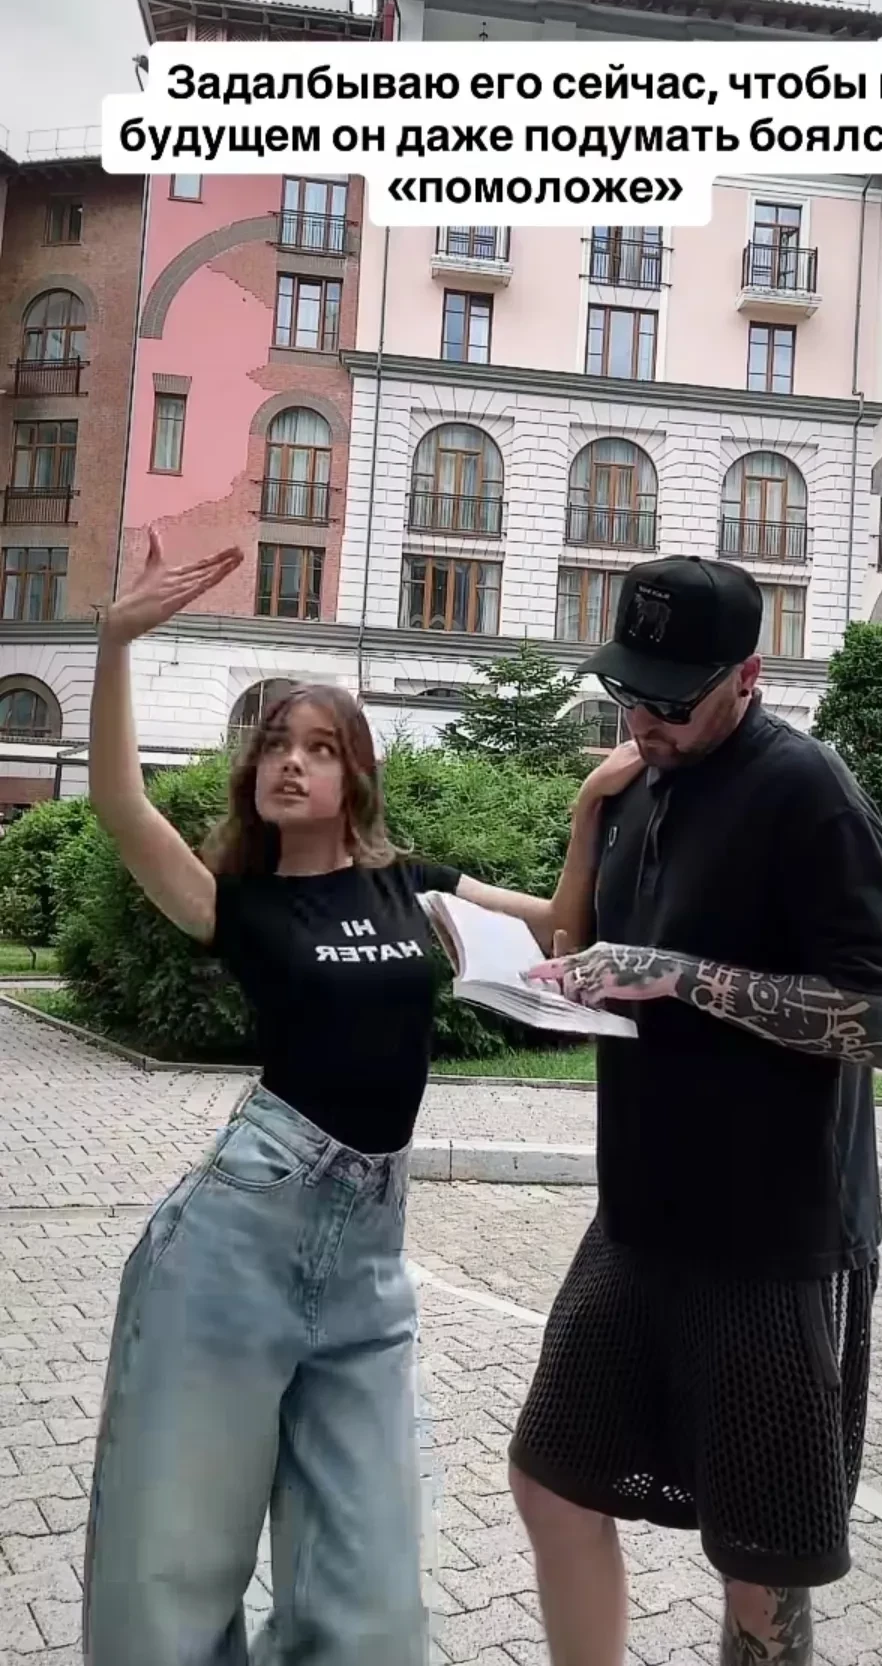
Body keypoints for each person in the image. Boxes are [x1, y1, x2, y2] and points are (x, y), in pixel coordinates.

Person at [82, 527, 640, 1666]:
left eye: (320, 748)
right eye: (275, 746)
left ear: (357, 776)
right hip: (234, 1246)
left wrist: (589, 808)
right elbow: (121, 805)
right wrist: (116, 643)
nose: (291, 763)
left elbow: (557, 929)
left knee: (371, 1597)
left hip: (370, 1263)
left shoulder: (410, 886)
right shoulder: (235, 902)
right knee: (171, 1567)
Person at [510, 556, 882, 1666]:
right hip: (639, 1214)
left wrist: (677, 977)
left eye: (670, 700)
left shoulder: (807, 789)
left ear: (747, 676)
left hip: (770, 1237)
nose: (643, 720)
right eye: (625, 691)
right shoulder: (639, 783)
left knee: (760, 1564)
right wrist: (569, 981)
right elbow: (611, 955)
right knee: (552, 1480)